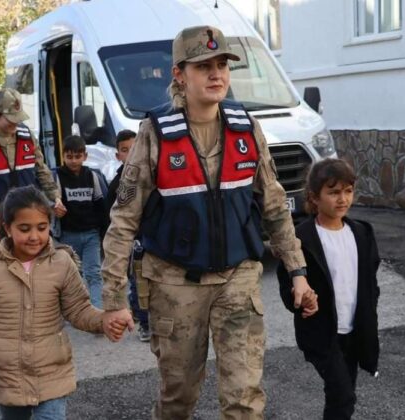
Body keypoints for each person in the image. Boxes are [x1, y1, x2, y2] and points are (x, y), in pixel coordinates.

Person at [100, 25, 318, 419]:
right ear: (179, 74)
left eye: (222, 65)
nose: (216, 74)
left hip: (238, 279)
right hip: (175, 284)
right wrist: (115, 300)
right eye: (203, 66)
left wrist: (297, 272)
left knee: (244, 397)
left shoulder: (246, 127)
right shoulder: (155, 134)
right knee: (179, 397)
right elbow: (123, 222)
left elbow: (274, 207)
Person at [0, 185, 127, 419]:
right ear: (7, 228)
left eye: (41, 227)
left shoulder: (61, 263)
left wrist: (104, 321)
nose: (34, 236)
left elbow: (78, 310)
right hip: (7, 376)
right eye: (24, 228)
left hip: (52, 373)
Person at [277, 159, 380, 420]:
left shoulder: (362, 234)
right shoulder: (302, 238)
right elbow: (288, 284)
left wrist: (369, 316)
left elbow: (371, 283)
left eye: (348, 191)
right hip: (322, 334)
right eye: (333, 192)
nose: (342, 199)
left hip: (354, 331)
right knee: (342, 395)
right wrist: (302, 301)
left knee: (343, 396)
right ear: (314, 197)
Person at [0, 89, 65, 221]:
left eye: (18, 118)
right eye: (11, 119)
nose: (16, 123)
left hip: (29, 212)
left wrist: (55, 197)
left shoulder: (28, 137)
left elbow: (41, 170)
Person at [104, 129, 151, 341]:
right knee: (137, 282)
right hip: (132, 242)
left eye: (134, 148)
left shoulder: (151, 175)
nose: (130, 154)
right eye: (125, 150)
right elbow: (112, 218)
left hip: (153, 240)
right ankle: (145, 323)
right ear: (118, 155)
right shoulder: (117, 184)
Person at [54, 135, 108, 308]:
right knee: (72, 275)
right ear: (63, 156)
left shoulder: (92, 176)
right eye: (69, 157)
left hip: (91, 235)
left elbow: (101, 205)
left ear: (85, 156)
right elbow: (53, 203)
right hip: (68, 235)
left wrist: (104, 233)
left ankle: (96, 311)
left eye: (78, 156)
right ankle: (75, 311)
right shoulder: (57, 177)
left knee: (94, 273)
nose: (74, 161)